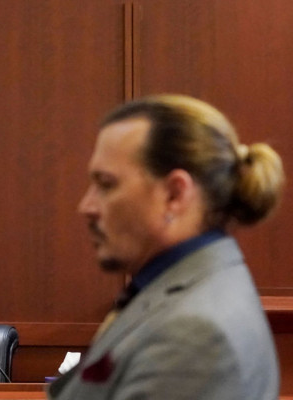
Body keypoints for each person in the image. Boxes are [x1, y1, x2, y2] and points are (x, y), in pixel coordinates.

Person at [48, 94, 284, 399]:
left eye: (106, 184)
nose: (86, 206)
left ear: (174, 195)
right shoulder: (187, 290)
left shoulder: (195, 334)